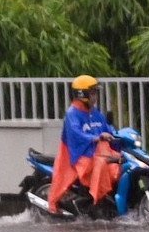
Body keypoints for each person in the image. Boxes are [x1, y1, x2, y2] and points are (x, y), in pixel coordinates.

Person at [47, 75, 121, 215]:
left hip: (96, 153)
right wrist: (96, 137)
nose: (95, 97)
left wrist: (117, 134)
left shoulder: (94, 113)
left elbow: (107, 128)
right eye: (92, 93)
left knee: (119, 161)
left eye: (96, 93)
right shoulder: (72, 114)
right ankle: (96, 200)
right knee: (101, 163)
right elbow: (77, 134)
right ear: (83, 94)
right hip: (80, 157)